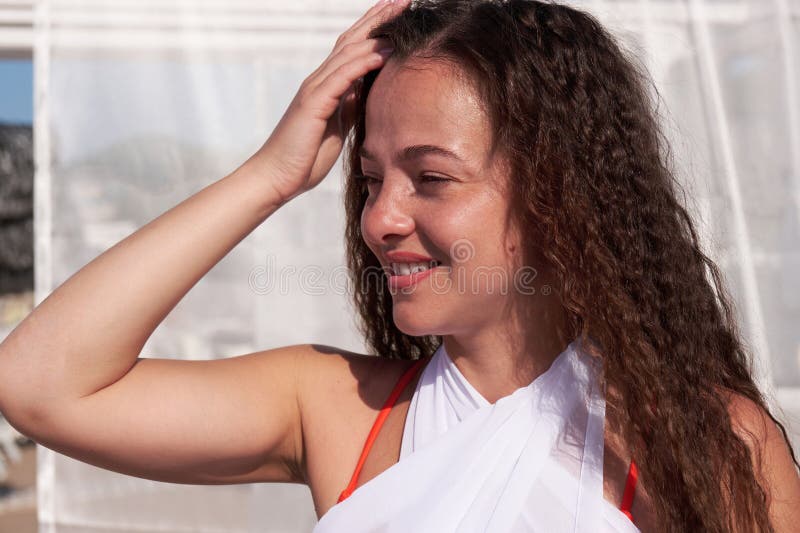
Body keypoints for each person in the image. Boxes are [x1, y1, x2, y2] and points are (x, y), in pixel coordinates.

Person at [0, 0, 798, 530]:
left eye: (433, 178)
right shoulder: (335, 409)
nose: (379, 218)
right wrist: (271, 175)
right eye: (372, 178)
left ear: (562, 192)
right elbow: (39, 384)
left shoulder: (705, 442)